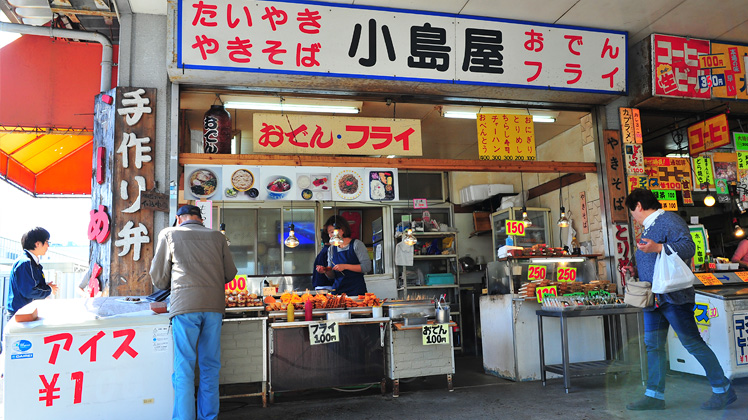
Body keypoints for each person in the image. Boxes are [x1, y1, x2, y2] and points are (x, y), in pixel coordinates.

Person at [624, 189, 735, 411]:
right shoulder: (650, 226)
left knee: (692, 343)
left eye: (631, 211)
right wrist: (634, 267)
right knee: (653, 346)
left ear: (638, 206)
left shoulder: (668, 220)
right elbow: (655, 260)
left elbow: (689, 247)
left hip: (674, 296)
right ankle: (654, 395)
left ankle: (723, 390)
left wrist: (657, 247)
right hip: (653, 297)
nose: (632, 216)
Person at [149, 205, 237, 420]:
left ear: (179, 219)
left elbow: (158, 277)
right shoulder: (217, 237)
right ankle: (209, 417)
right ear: (200, 219)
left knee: (184, 368)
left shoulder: (169, 234)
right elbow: (230, 273)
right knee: (210, 366)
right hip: (214, 307)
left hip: (185, 307)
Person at [6, 227, 58, 318]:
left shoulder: (31, 262)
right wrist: (49, 289)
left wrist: (45, 286)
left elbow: (30, 285)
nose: (48, 246)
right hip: (21, 315)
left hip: (26, 313)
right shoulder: (25, 263)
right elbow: (29, 291)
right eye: (46, 242)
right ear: (37, 244)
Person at [315, 215, 371, 296]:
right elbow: (332, 276)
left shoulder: (357, 244)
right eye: (329, 233)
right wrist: (325, 271)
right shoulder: (331, 249)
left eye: (332, 232)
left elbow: (367, 267)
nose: (330, 236)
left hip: (356, 290)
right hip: (338, 291)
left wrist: (345, 266)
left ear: (342, 230)